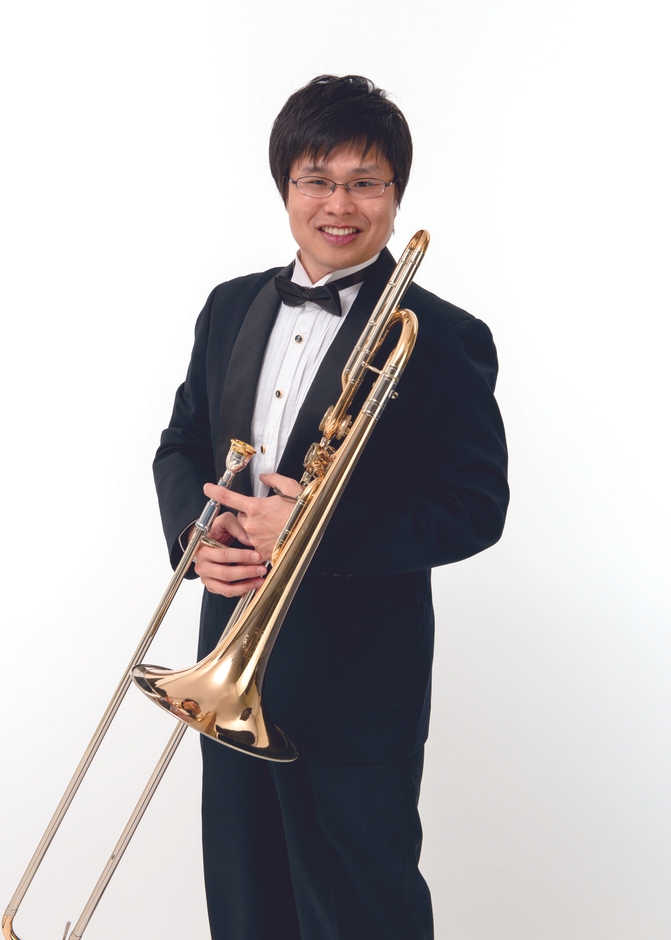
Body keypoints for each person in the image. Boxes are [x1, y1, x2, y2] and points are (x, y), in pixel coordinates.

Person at [153, 74, 509, 940]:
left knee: (360, 907)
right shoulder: (229, 306)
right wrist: (197, 536)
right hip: (226, 656)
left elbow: (474, 506)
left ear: (395, 193)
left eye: (364, 182)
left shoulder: (444, 335)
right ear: (285, 187)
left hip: (358, 678)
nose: (339, 205)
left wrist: (316, 533)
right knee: (246, 903)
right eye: (317, 180)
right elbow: (182, 443)